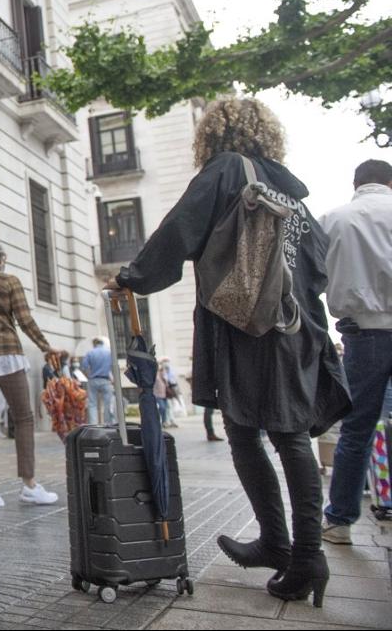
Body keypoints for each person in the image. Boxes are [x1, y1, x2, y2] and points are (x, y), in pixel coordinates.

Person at [106, 98, 349, 607]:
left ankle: (302, 554)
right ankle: (282, 544)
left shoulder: (225, 171)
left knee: (265, 434)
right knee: (274, 433)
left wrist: (134, 276)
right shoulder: (292, 190)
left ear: (214, 135)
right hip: (299, 328)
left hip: (249, 329)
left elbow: (181, 229)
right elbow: (319, 269)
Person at [0, 237, 68, 509]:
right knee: (24, 417)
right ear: (1, 260)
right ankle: (29, 485)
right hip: (6, 356)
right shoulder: (9, 282)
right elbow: (24, 319)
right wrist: (45, 346)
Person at [319, 159, 392, 546]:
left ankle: (340, 521)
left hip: (363, 335)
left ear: (356, 183)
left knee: (357, 430)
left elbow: (311, 276)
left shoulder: (334, 219)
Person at [81, 337, 115, 425]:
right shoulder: (108, 353)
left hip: (93, 380)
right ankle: (108, 424)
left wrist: (89, 376)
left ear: (94, 344)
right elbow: (112, 367)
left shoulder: (90, 353)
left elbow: (84, 367)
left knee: (92, 404)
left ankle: (94, 425)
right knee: (107, 403)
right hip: (106, 380)